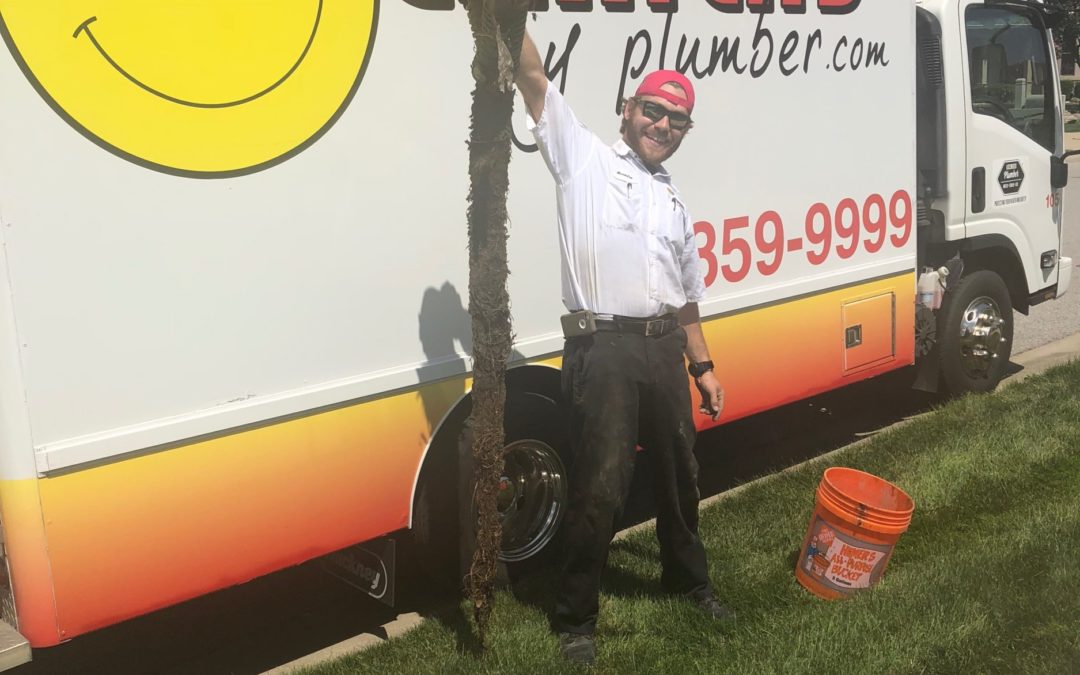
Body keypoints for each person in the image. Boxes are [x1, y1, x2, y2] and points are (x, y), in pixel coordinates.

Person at [515, 30, 733, 665]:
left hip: (664, 349)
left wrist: (704, 368)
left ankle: (689, 581)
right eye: (652, 110)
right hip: (602, 348)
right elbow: (532, 79)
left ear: (685, 131)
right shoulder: (581, 156)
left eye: (676, 119)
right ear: (628, 110)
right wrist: (506, 19)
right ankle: (575, 617)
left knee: (679, 475)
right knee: (601, 484)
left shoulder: (674, 200)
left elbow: (685, 296)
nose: (661, 124)